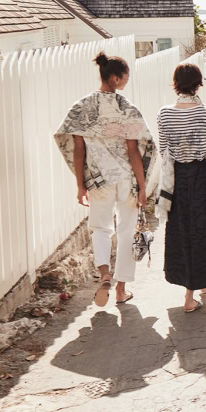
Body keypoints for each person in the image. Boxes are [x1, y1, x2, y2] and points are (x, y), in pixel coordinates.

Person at [55, 52, 156, 307]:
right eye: (125, 78)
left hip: (99, 181)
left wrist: (80, 185)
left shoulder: (81, 108)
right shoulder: (126, 109)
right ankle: (121, 290)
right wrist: (143, 187)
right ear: (115, 78)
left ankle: (104, 275)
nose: (126, 82)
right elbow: (135, 152)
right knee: (125, 232)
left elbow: (78, 150)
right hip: (126, 181)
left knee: (100, 229)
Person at [155, 63, 206, 313]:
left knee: (181, 233)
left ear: (175, 83)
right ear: (199, 83)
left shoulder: (164, 113)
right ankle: (190, 297)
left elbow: (164, 152)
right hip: (201, 178)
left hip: (176, 180)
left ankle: (198, 287)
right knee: (202, 232)